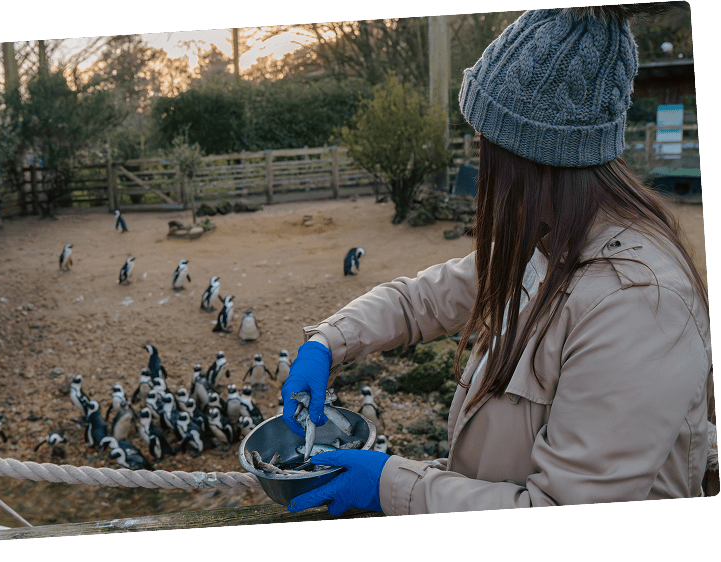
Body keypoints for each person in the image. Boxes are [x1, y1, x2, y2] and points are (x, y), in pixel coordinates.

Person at [282, 5, 713, 517]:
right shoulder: (552, 242)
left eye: (489, 143)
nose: (480, 157)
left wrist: (393, 488)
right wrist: (328, 341)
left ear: (537, 157)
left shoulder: (640, 305)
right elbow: (423, 300)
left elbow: (566, 517)